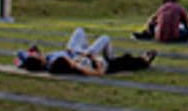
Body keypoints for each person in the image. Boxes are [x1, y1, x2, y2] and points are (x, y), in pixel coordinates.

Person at [15, 28, 155, 76]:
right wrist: (94, 64)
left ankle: (142, 60)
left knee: (79, 32)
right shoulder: (55, 63)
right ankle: (143, 60)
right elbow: (79, 68)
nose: (36, 52)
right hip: (88, 59)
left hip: (80, 55)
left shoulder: (49, 59)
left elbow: (21, 57)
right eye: (34, 54)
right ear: (38, 60)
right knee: (123, 60)